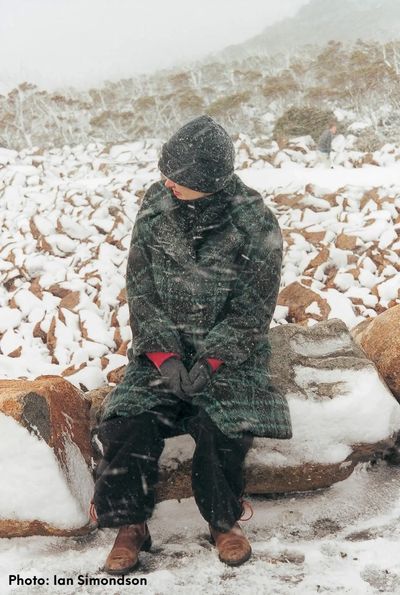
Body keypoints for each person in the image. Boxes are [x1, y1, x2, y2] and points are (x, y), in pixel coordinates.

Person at [92, 115, 292, 574]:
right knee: (128, 422)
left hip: (230, 357)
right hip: (161, 352)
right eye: (166, 172)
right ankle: (131, 526)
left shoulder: (253, 221)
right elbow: (140, 288)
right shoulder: (156, 205)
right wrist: (162, 355)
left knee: (222, 424)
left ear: (212, 181)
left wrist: (214, 358)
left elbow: (254, 308)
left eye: (180, 178)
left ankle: (223, 522)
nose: (168, 182)